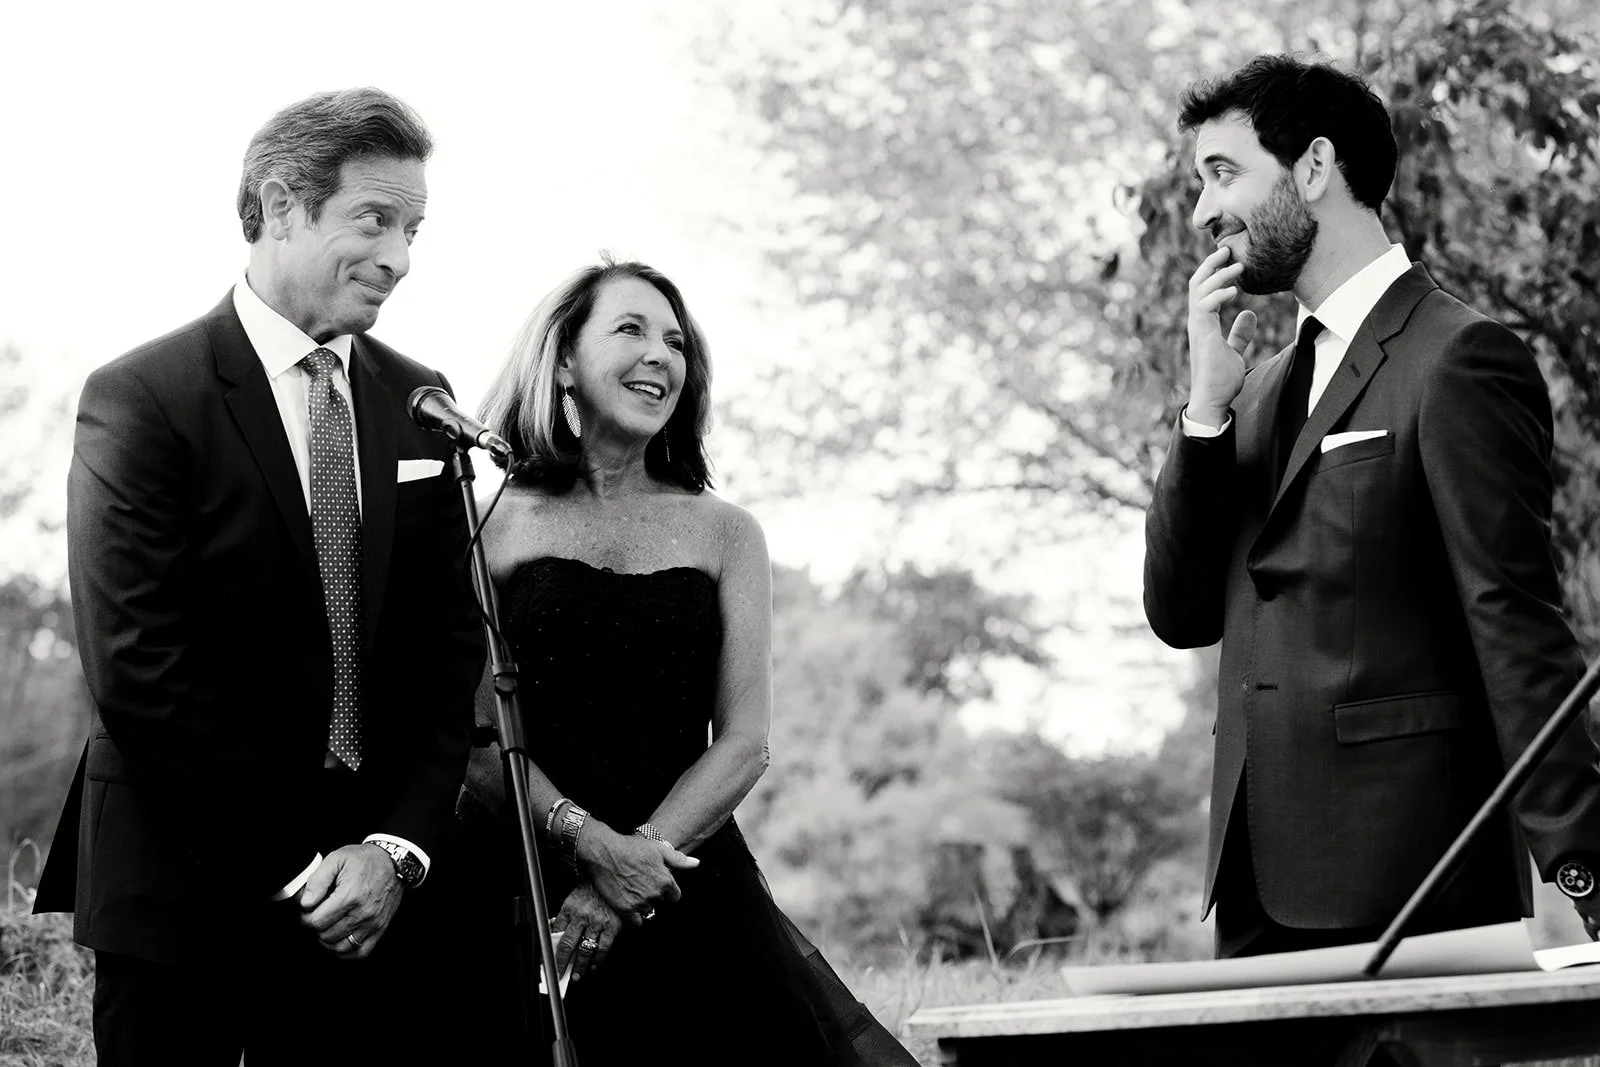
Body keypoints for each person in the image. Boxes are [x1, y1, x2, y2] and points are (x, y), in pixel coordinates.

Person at [32, 88, 486, 1064]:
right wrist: (301, 865)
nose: (400, 257)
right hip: (178, 894)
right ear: (281, 205)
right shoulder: (142, 396)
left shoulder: (422, 400)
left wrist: (394, 851)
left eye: (413, 230)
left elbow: (452, 658)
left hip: (366, 910)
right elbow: (137, 667)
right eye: (374, 219)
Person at [1143, 54, 1600, 959]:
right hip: (1254, 886)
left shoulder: (1460, 357)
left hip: (1411, 880)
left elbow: (1510, 615)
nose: (1202, 213)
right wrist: (1204, 415)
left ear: (1315, 166)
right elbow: (1182, 612)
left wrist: (1586, 860)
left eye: (1224, 173)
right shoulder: (1257, 389)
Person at [437, 257, 916, 1065]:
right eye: (630, 329)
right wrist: (589, 843)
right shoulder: (492, 524)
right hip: (517, 880)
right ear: (562, 359)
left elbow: (746, 741)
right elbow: (473, 735)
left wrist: (637, 863)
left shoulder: (727, 531)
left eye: (676, 341)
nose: (660, 354)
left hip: (687, 879)